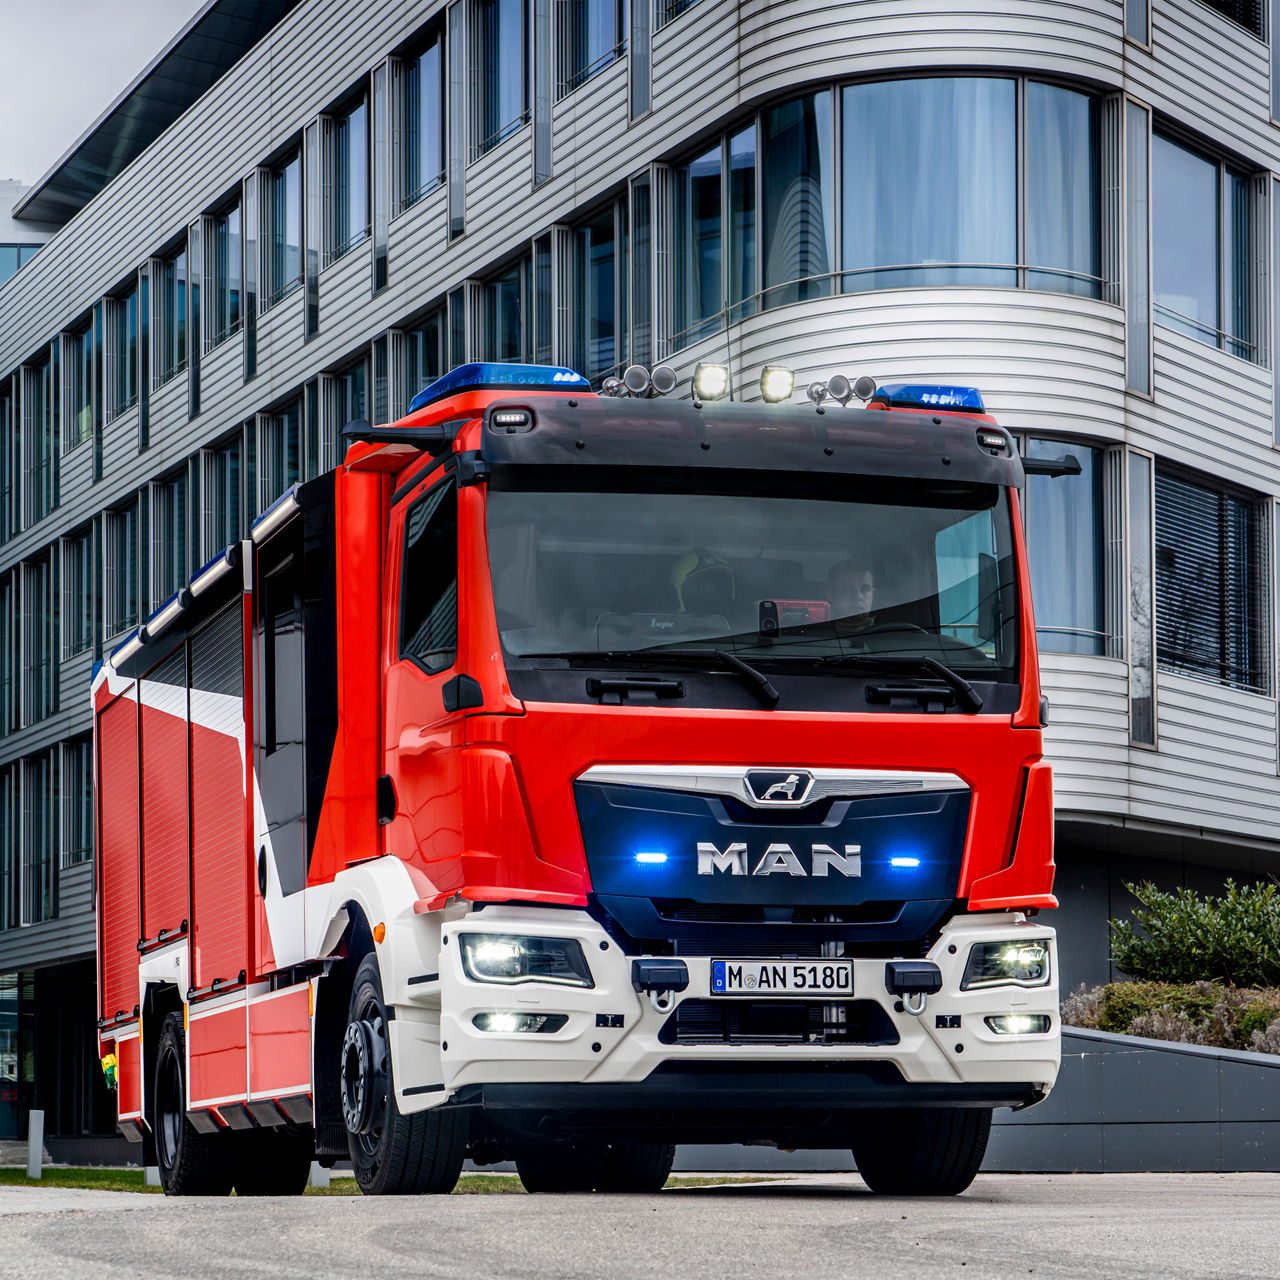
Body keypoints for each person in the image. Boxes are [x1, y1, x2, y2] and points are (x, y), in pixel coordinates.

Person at [828, 559, 876, 633]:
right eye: (847, 589)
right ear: (831, 594)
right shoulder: (813, 630)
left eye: (865, 589)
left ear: (873, 595)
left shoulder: (889, 632)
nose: (858, 596)